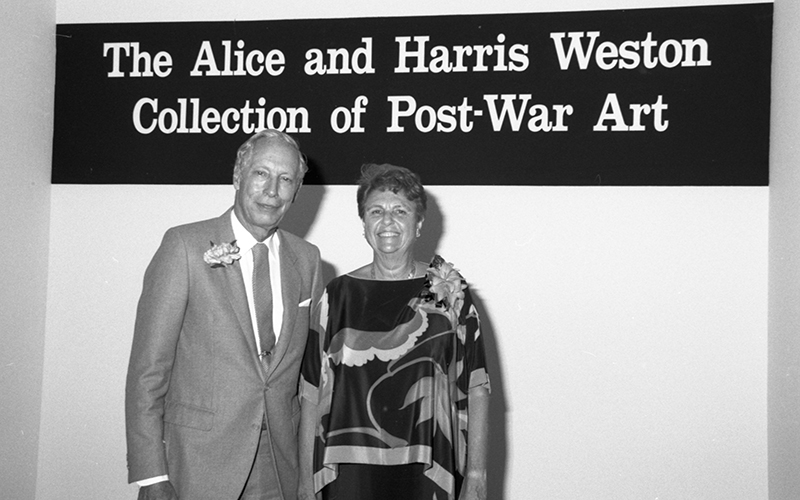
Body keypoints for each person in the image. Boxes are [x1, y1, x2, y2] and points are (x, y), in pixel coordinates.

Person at [126, 129, 324, 500]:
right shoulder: (184, 246)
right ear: (238, 175)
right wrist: (152, 476)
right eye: (261, 173)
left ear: (297, 191)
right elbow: (147, 372)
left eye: (286, 180)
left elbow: (303, 379)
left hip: (279, 470)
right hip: (196, 467)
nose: (272, 190)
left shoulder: (308, 260)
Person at [298, 164, 491, 500]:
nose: (387, 221)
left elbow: (476, 386)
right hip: (349, 474)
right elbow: (310, 394)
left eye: (400, 211)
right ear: (364, 225)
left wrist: (476, 474)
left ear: (418, 224)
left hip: (430, 468)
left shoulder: (448, 291)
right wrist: (303, 482)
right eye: (376, 211)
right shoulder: (337, 296)